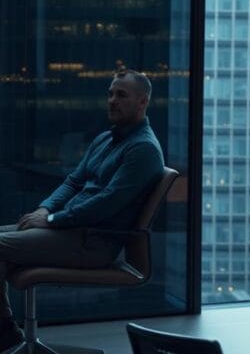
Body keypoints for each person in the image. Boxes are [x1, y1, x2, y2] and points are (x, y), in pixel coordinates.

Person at [0, 69, 165, 350]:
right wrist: (45, 209)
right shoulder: (106, 139)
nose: (112, 100)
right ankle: (7, 334)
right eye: (110, 94)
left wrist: (52, 220)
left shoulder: (143, 149)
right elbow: (73, 182)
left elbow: (105, 204)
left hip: (93, 242)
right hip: (71, 231)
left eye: (121, 95)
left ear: (142, 103)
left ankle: (6, 335)